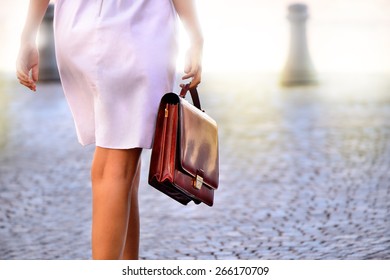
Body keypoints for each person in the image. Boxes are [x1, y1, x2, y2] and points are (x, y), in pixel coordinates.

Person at [16, 0, 203, 260]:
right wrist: (195, 36)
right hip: (136, 31)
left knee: (125, 166)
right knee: (115, 168)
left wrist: (29, 35)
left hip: (77, 30)